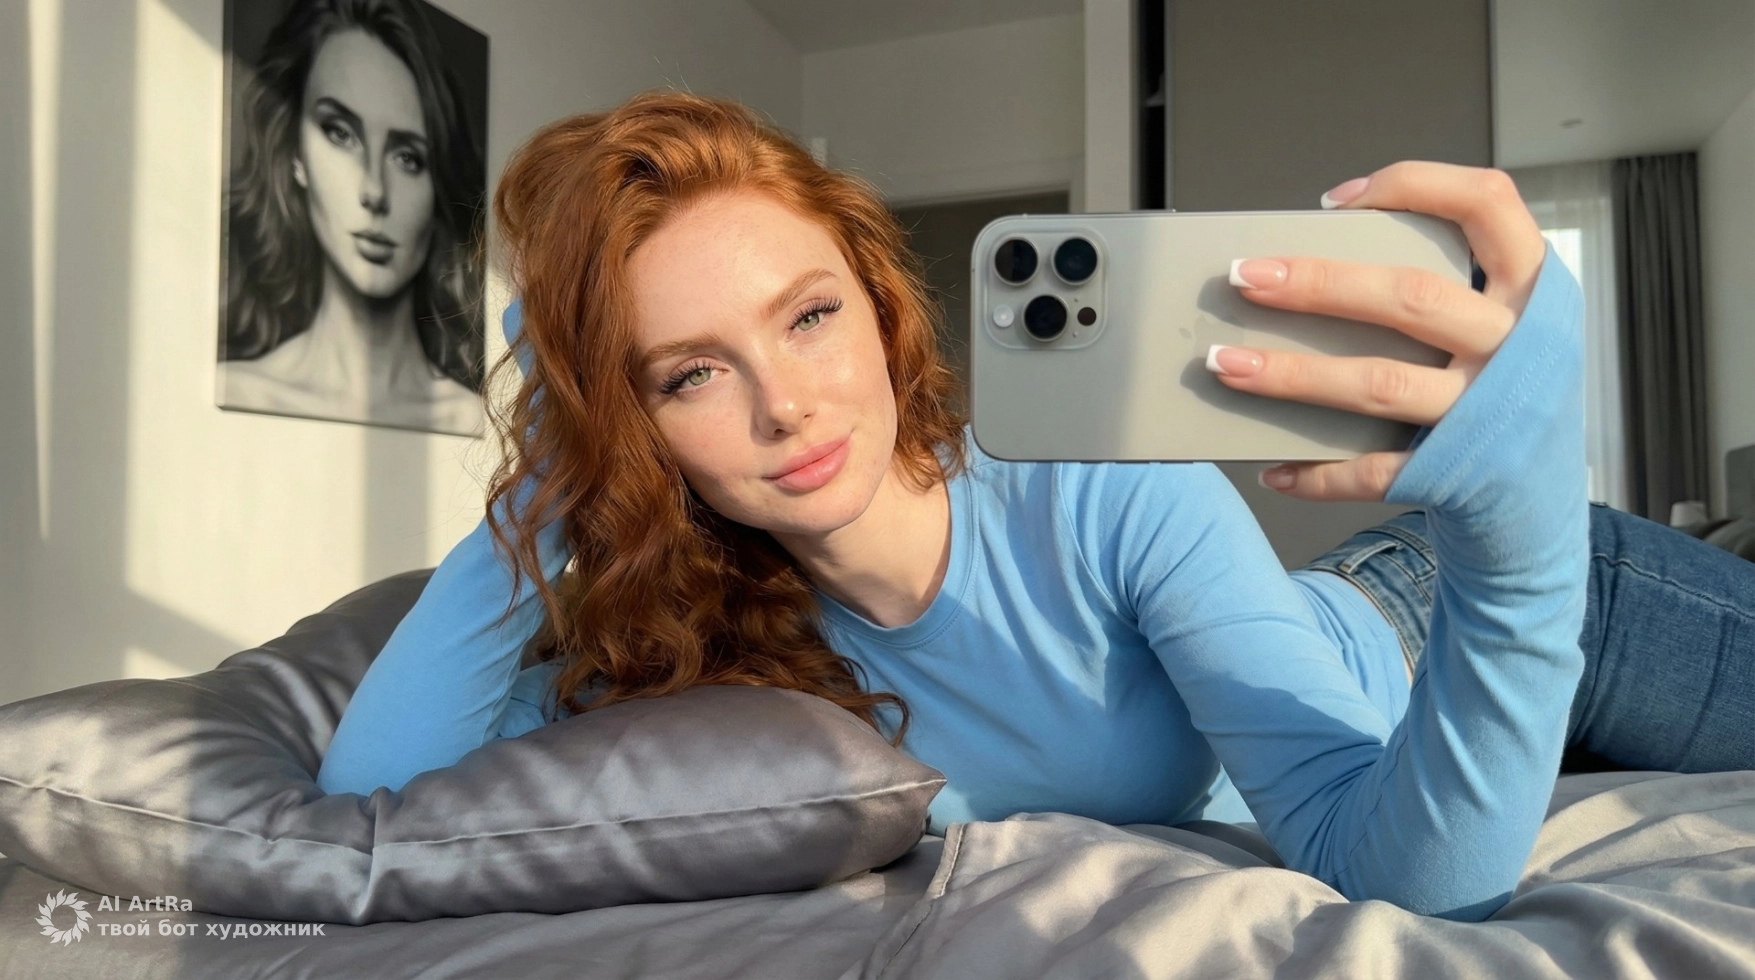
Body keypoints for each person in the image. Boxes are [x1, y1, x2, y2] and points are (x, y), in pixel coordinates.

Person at [315, 92, 1755, 921]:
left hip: (1479, 603)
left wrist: (1515, 546)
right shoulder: (703, 646)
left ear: (880, 306)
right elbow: (367, 805)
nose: (785, 407)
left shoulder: (1094, 497)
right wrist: (555, 461)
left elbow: (1401, 872)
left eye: (808, 316)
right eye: (690, 372)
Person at [219, 0, 486, 436]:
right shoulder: (244, 387)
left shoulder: (474, 418)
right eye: (340, 133)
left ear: (437, 185)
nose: (374, 192)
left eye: (407, 157)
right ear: (297, 156)